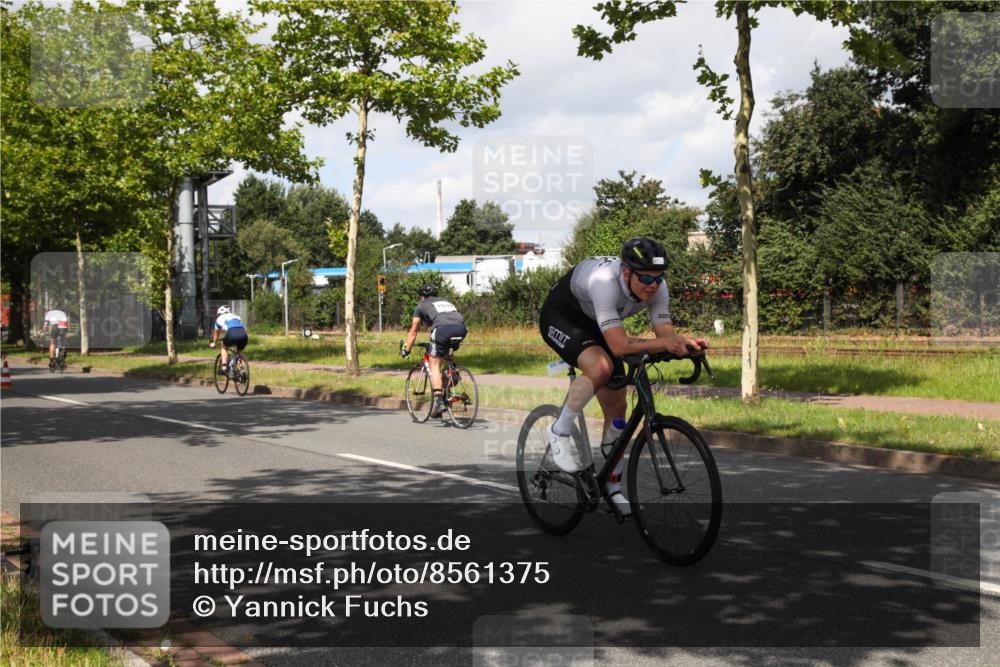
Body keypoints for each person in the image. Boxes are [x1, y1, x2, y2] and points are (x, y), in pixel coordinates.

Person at [538, 237, 709, 516]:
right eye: (645, 278)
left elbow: (664, 333)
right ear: (627, 272)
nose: (652, 285)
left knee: (618, 407)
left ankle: (611, 485)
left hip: (600, 324)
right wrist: (667, 344)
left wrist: (683, 345)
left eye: (658, 278)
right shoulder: (604, 282)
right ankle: (559, 431)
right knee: (601, 368)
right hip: (562, 316)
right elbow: (618, 346)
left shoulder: (658, 287)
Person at [401, 284, 468, 418]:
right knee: (446, 356)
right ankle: (452, 375)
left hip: (443, 330)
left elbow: (413, 330)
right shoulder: (445, 301)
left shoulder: (421, 305)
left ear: (421, 297)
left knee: (434, 364)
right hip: (461, 328)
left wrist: (406, 350)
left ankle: (439, 401)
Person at [209, 305, 248, 373]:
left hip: (232, 333)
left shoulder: (219, 319)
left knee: (224, 348)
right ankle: (243, 371)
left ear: (219, 313)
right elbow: (240, 327)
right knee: (239, 353)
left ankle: (224, 367)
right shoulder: (236, 317)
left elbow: (216, 335)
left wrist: (214, 343)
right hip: (244, 334)